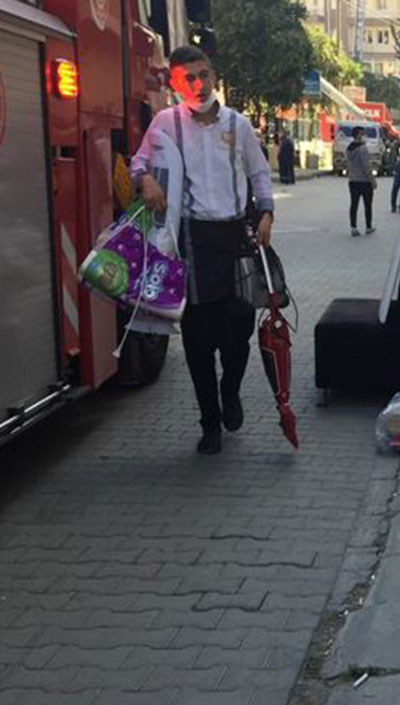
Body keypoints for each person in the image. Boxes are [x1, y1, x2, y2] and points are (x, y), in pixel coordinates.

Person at [130, 45, 275, 455]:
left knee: (238, 334)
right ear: (176, 83)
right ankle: (209, 422)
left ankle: (230, 391)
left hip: (235, 239)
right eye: (187, 78)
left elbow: (259, 174)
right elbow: (136, 164)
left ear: (213, 74)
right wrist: (146, 181)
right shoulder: (164, 123)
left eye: (203, 74)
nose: (197, 84)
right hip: (190, 242)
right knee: (196, 342)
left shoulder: (239, 124)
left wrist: (265, 214)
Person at [346, 127, 376, 236]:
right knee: (367, 205)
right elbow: (366, 165)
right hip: (364, 181)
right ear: (358, 135)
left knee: (354, 204)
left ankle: (353, 227)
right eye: (362, 134)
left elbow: (349, 163)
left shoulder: (349, 148)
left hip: (353, 180)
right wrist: (372, 180)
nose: (364, 136)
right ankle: (368, 226)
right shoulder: (362, 148)